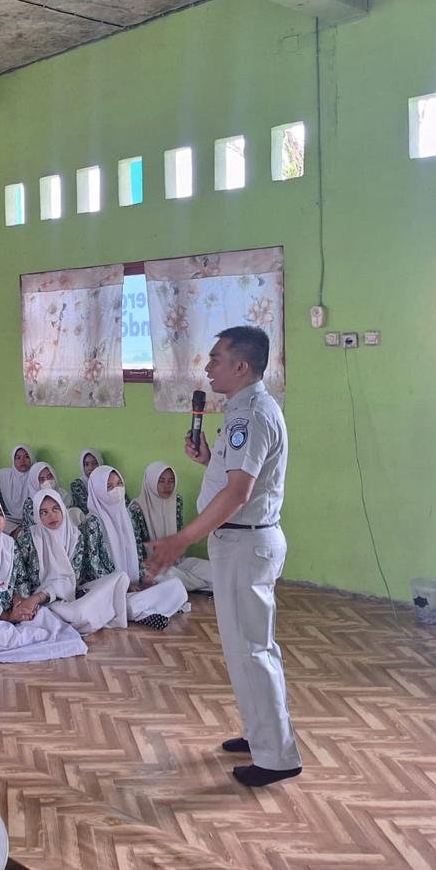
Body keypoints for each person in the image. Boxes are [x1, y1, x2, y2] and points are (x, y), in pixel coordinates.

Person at [145, 326, 300, 788]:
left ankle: (276, 757)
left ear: (241, 367)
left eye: (215, 359)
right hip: (242, 541)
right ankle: (261, 736)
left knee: (252, 650)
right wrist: (208, 458)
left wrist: (180, 540)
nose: (208, 368)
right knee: (246, 649)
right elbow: (238, 478)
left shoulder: (249, 415)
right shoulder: (246, 410)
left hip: (244, 542)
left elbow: (237, 494)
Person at [0, 493, 87, 664]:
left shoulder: (9, 544)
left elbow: (20, 578)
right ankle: (30, 637)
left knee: (47, 619)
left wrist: (20, 603)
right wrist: (6, 616)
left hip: (9, 604)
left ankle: (26, 635)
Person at [84, 465, 189, 629]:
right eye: (109, 487)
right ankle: (144, 612)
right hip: (107, 589)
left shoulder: (127, 516)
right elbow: (94, 567)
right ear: (97, 490)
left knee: (176, 585)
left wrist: (144, 579)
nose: (116, 490)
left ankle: (143, 611)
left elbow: (139, 553)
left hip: (134, 585)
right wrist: (123, 586)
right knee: (116, 603)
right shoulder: (92, 522)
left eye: (119, 484)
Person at [14, 491, 127, 635]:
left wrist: (40, 596)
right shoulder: (28, 539)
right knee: (77, 613)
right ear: (37, 515)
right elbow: (19, 576)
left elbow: (71, 579)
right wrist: (26, 603)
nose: (51, 516)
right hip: (47, 603)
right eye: (44, 512)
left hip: (69, 592)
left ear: (62, 508)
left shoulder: (75, 537)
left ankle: (84, 614)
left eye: (55, 509)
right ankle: (88, 614)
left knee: (121, 577)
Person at [133, 462, 213, 593]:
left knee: (213, 570)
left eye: (171, 480)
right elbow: (136, 549)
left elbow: (179, 535)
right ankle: (204, 585)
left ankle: (195, 584)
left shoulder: (177, 500)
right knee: (165, 577)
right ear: (151, 482)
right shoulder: (136, 508)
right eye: (161, 481)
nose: (167, 486)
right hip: (151, 568)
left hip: (177, 561)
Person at [18, 461, 82, 530]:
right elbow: (30, 529)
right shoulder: (30, 504)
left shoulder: (64, 495)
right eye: (41, 479)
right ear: (34, 483)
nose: (47, 481)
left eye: (50, 476)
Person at [70, 449, 103, 514]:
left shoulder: (107, 481)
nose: (90, 468)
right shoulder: (77, 485)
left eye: (94, 463)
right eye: (86, 464)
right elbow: (87, 507)